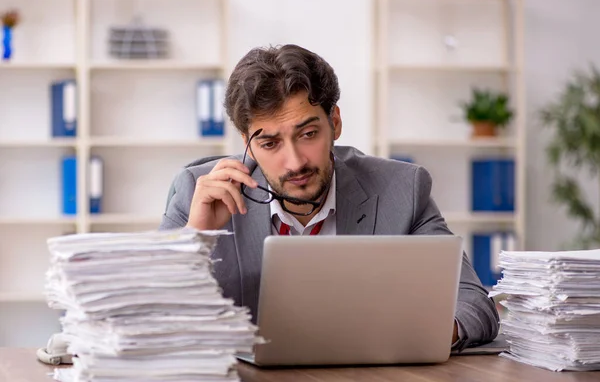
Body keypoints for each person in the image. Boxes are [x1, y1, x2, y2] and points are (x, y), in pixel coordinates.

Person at [159, 44, 499, 352]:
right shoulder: (197, 191)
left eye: (308, 134)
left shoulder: (402, 188)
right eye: (269, 144)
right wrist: (196, 240)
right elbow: (145, 317)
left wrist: (412, 334)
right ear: (246, 141)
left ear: (334, 122)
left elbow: (473, 303)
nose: (294, 162)